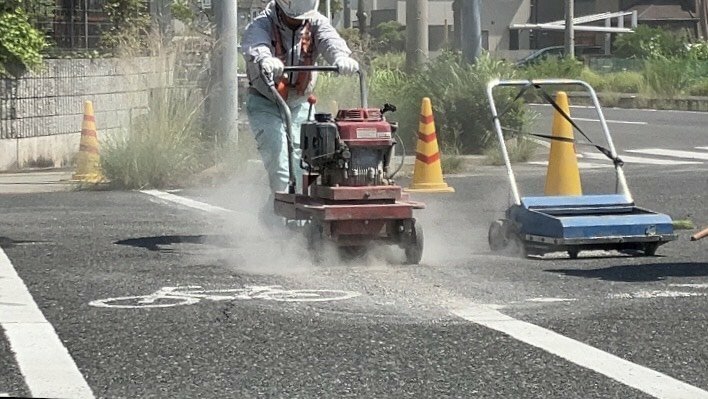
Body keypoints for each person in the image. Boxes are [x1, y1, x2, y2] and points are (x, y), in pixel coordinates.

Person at [241, 0, 359, 203]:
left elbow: (330, 40)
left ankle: (303, 216)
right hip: (266, 101)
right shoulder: (262, 23)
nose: (298, 21)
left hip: (300, 102)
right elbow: (256, 44)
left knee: (306, 163)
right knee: (279, 160)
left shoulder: (316, 22)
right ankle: (281, 218)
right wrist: (265, 59)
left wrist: (340, 57)